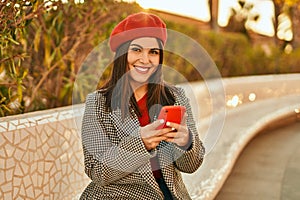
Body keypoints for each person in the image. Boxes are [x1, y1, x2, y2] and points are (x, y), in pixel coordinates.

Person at [80, 12, 205, 200]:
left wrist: (185, 141)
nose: (145, 60)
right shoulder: (98, 103)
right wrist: (140, 143)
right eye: (137, 50)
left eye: (153, 52)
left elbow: (192, 165)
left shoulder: (175, 97)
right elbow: (97, 171)